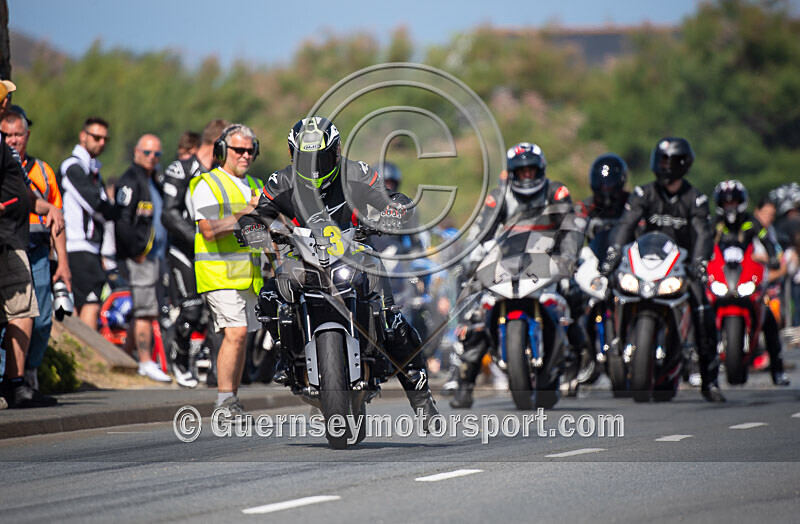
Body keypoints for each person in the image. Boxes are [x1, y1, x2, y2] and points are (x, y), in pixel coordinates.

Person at [238, 116, 440, 426]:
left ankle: (421, 397)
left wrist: (394, 211)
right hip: (303, 258)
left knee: (391, 317)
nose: (314, 166)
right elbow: (257, 215)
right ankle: (285, 356)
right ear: (293, 155)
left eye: (321, 157)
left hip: (355, 255)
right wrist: (252, 229)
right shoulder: (281, 181)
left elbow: (390, 199)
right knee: (270, 296)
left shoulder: (356, 173)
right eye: (306, 159)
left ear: (336, 151)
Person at [449, 141, 582, 408]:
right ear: (512, 173)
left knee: (575, 293)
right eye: (521, 172)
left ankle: (575, 357)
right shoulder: (499, 196)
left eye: (531, 171)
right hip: (507, 261)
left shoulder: (556, 192)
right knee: (478, 311)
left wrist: (568, 256)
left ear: (540, 170)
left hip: (549, 259)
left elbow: (571, 227)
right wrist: (469, 259)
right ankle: (464, 381)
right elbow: (480, 232)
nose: (527, 176)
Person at [600, 136, 725, 402]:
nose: (664, 165)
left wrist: (700, 263)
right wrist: (612, 254)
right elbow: (625, 225)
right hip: (643, 266)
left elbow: (703, 234)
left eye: (669, 160)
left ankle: (709, 379)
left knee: (703, 308)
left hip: (681, 268)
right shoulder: (643, 194)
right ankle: (612, 352)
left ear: (683, 163)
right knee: (608, 291)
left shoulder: (696, 199)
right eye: (660, 159)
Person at [190, 123, 264, 412]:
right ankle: (224, 402)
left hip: (249, 278)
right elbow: (209, 230)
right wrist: (247, 210)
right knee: (235, 332)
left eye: (250, 150)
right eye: (239, 150)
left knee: (241, 336)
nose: (245, 155)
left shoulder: (258, 187)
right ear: (223, 150)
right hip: (219, 274)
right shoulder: (207, 184)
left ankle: (232, 399)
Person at [1, 80, 64, 407]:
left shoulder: (36, 167)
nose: (12, 138)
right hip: (10, 242)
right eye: (4, 99)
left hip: (25, 245)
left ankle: (19, 382)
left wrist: (49, 208)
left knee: (30, 315)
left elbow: (28, 196)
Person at [161, 119, 228, 387]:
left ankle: (214, 371)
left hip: (214, 254)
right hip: (184, 251)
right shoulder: (181, 168)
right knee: (190, 311)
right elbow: (168, 212)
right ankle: (176, 358)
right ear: (216, 143)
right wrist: (196, 238)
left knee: (215, 314)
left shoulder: (222, 173)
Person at [712, 180, 789, 386]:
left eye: (735, 202)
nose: (731, 207)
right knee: (699, 312)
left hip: (746, 277)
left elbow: (767, 241)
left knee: (768, 316)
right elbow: (702, 243)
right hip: (720, 278)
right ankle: (694, 367)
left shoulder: (750, 223)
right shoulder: (715, 224)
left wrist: (773, 257)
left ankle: (778, 369)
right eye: (727, 203)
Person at [114, 134, 172, 383]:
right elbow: (122, 220)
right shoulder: (130, 180)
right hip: (141, 257)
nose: (152, 158)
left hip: (156, 257)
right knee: (145, 312)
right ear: (136, 152)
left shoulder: (152, 181)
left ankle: (126, 359)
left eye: (157, 154)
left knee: (149, 310)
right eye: (147, 153)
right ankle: (146, 362)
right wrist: (134, 252)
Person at [59, 117, 118, 330]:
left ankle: (77, 360)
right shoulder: (73, 166)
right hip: (76, 245)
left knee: (81, 305)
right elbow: (96, 204)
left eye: (105, 139)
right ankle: (86, 361)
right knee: (87, 305)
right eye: (96, 137)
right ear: (83, 136)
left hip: (90, 248)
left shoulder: (93, 169)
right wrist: (112, 207)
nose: (101, 142)